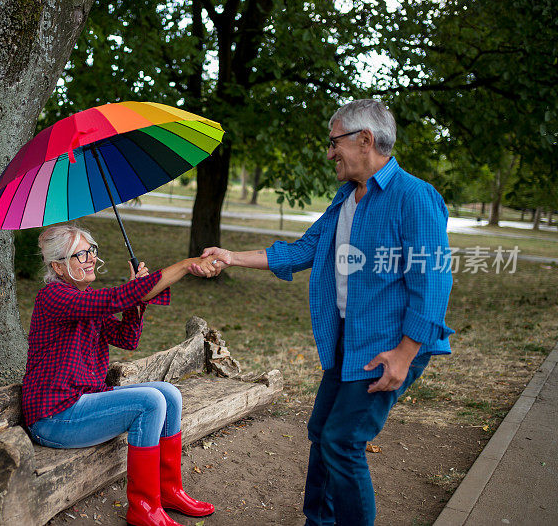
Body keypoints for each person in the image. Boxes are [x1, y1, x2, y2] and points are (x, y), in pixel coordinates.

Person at [193, 99, 454, 525]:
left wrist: (405, 355)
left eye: (335, 142)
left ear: (365, 140)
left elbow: (434, 283)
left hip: (387, 346)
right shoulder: (346, 198)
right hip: (347, 343)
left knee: (342, 442)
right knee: (322, 434)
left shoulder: (415, 197)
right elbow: (304, 249)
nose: (329, 152)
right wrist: (231, 256)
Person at [23, 224, 217, 526]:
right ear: (58, 267)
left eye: (91, 251)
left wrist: (135, 297)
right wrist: (184, 266)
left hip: (83, 402)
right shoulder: (55, 298)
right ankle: (143, 507)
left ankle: (169, 490)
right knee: (151, 401)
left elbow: (128, 339)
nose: (89, 258)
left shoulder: (83, 300)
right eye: (79, 254)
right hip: (54, 418)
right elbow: (113, 299)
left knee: (170, 395)